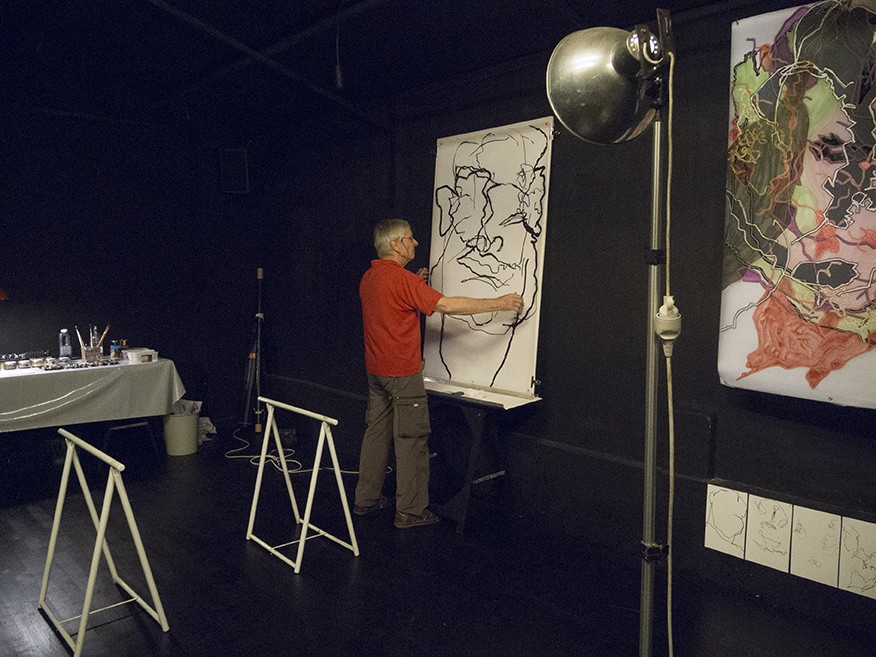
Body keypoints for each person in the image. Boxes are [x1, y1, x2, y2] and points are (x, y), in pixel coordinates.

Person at [354, 218, 524, 528]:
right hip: (403, 376)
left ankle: (366, 500)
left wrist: (414, 282)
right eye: (409, 238)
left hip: (376, 373)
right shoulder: (404, 282)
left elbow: (394, 298)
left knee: (376, 435)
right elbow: (445, 305)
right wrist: (499, 302)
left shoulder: (370, 277)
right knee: (412, 441)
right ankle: (410, 512)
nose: (415, 242)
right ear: (394, 245)